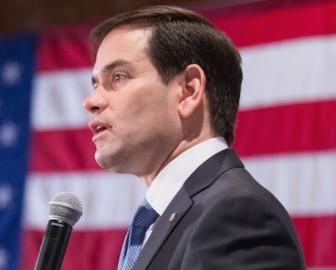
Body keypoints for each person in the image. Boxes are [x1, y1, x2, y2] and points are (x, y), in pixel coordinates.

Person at [83, 5, 306, 270]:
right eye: (95, 84)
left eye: (118, 77)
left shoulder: (236, 213)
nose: (91, 101)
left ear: (189, 91)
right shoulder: (161, 219)